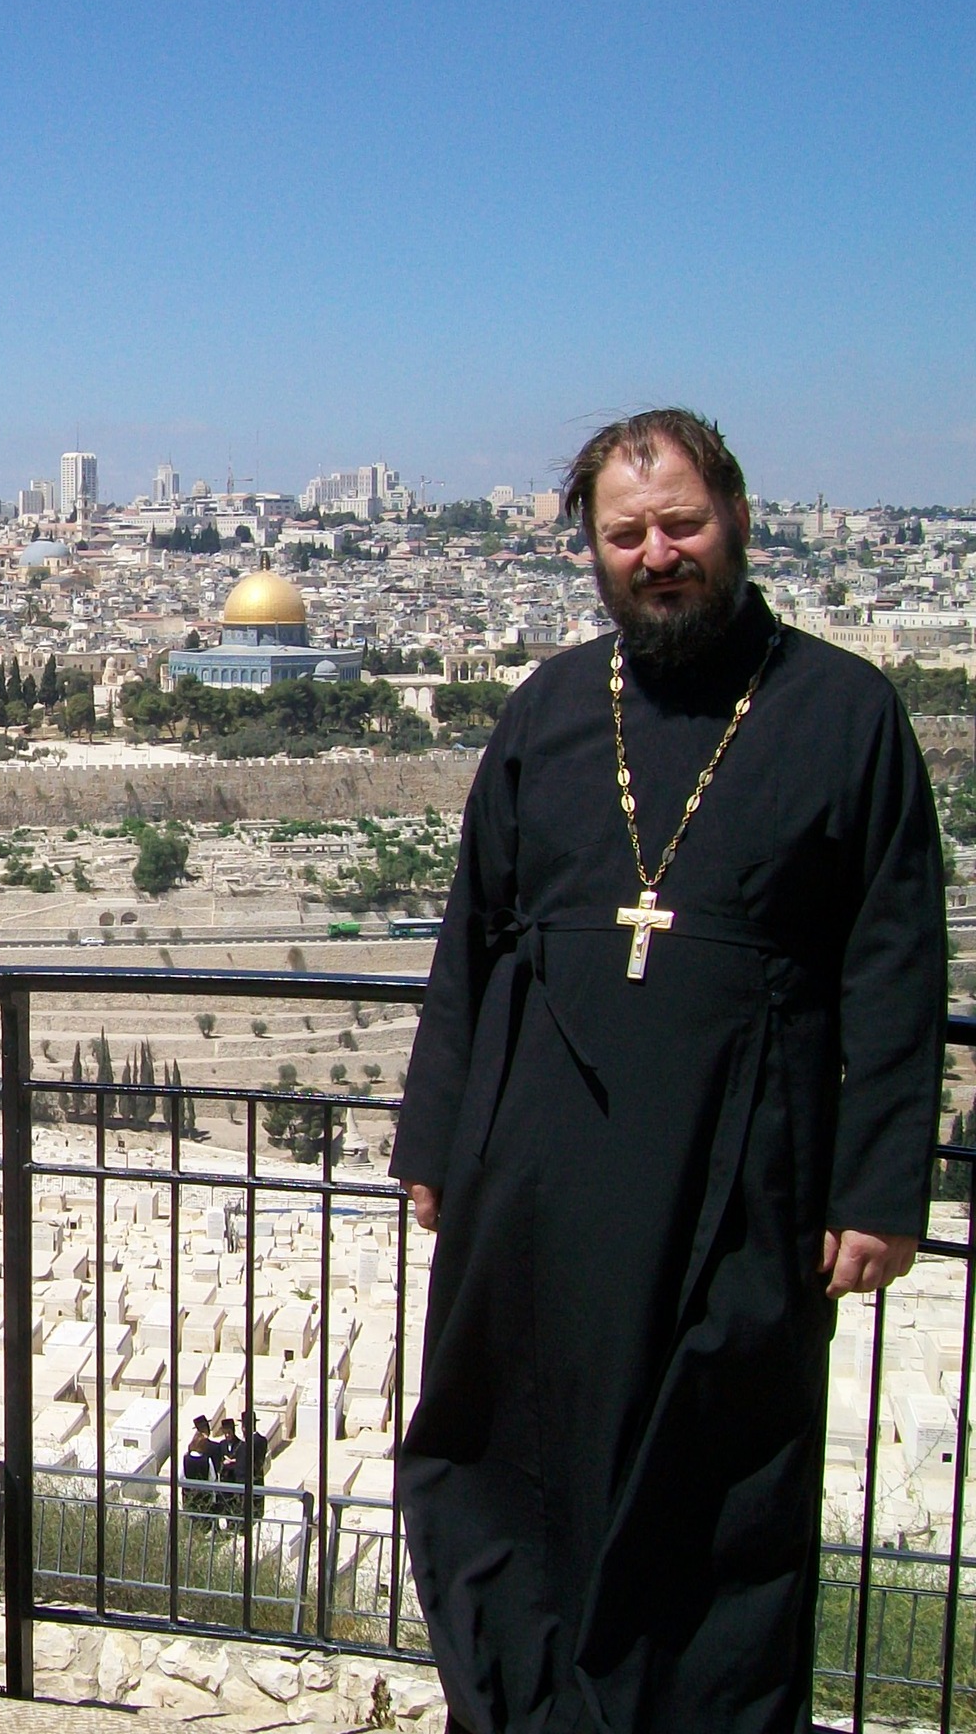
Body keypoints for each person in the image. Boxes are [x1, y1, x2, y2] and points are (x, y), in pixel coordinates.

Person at [392, 409, 948, 1733]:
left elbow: (894, 961)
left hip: (740, 1177)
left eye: (681, 525)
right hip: (537, 1180)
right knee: (510, 1466)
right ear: (591, 550)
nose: (656, 555)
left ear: (738, 521)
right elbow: (474, 936)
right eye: (625, 533)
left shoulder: (847, 713)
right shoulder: (548, 708)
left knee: (717, 1491)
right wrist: (436, 1141)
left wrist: (878, 1190)